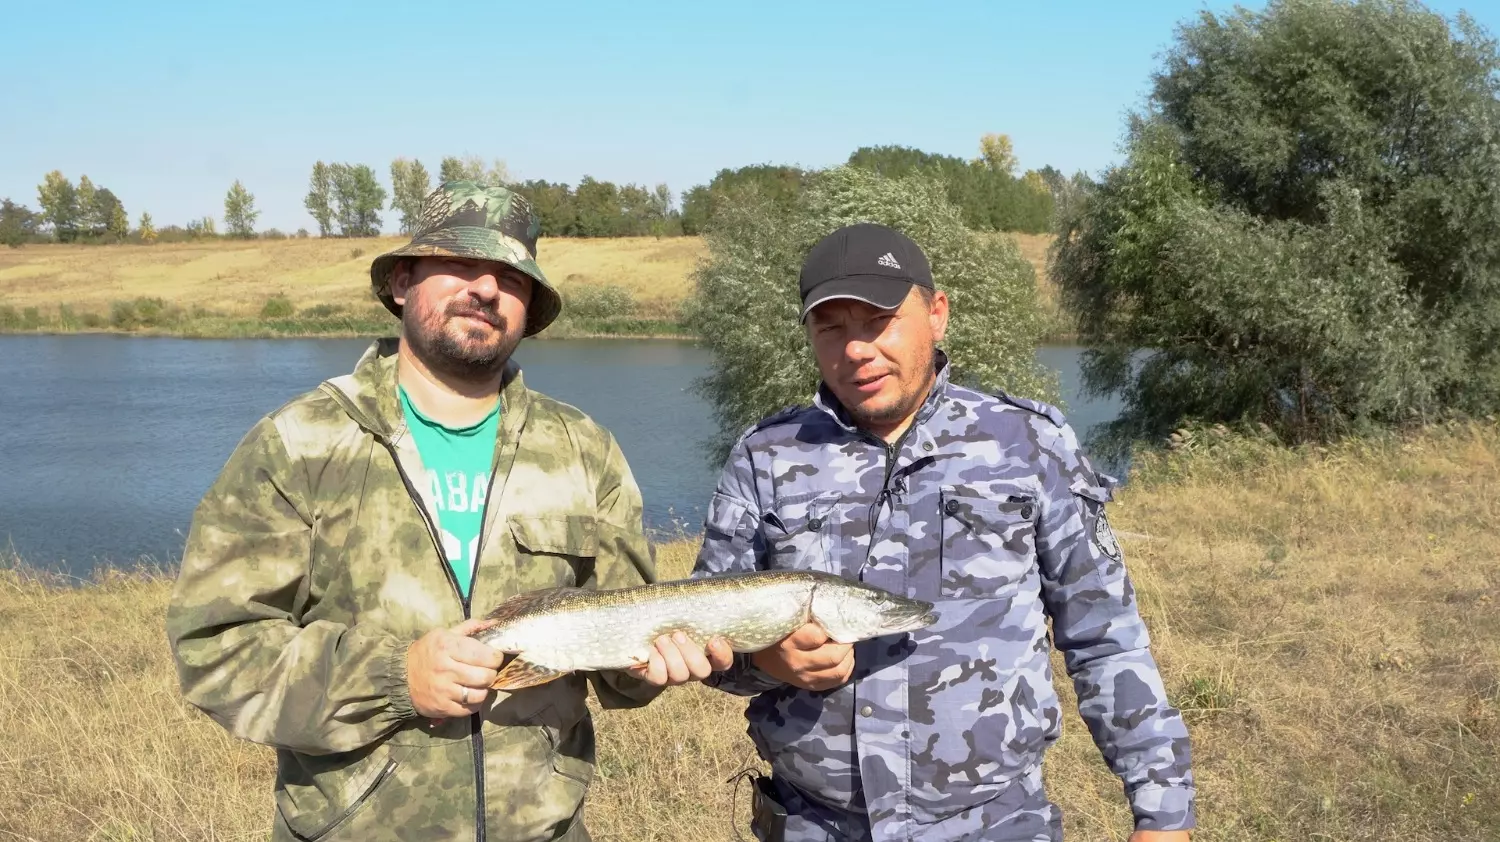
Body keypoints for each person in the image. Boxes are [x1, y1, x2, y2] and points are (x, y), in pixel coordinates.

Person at [165, 181, 729, 842]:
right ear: (403, 283)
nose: (487, 288)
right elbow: (216, 649)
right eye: (461, 265)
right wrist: (393, 677)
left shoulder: (585, 450)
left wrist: (649, 669)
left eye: (511, 276)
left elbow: (621, 658)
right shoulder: (300, 442)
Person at [691, 223, 1195, 842]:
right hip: (812, 824)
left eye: (878, 320)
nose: (856, 351)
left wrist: (1163, 812)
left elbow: (1104, 636)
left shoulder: (1029, 443)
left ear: (936, 314)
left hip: (996, 823)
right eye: (832, 328)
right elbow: (707, 638)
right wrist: (766, 660)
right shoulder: (764, 456)